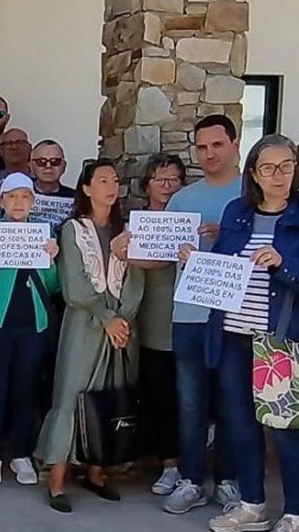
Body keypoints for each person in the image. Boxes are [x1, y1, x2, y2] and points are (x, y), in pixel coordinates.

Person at [189, 134, 299, 532]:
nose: (278, 175)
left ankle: (294, 512)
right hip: (233, 335)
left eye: (286, 166)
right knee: (239, 422)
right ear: (253, 173)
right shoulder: (238, 212)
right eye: (268, 168)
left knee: (284, 429)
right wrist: (197, 262)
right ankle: (252, 505)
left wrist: (283, 265)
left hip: (279, 340)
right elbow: (222, 269)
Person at [34, 159, 145, 513]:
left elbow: (136, 280)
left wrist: (122, 319)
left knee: (111, 394)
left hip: (121, 330)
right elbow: (74, 285)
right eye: (102, 180)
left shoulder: (126, 231)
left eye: (114, 180)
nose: (110, 186)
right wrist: (106, 316)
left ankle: (97, 472)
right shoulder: (72, 230)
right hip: (85, 325)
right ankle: (57, 478)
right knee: (70, 395)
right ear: (85, 188)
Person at [161, 115, 243, 515]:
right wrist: (128, 247)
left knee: (233, 402)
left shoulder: (253, 193)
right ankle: (192, 479)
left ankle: (229, 480)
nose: (209, 153)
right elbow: (157, 255)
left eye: (216, 145)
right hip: (189, 315)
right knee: (190, 402)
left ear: (234, 143)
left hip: (238, 318)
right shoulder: (183, 200)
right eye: (201, 147)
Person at [0, 173, 60, 486]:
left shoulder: (45, 233)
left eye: (25, 197)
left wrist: (51, 259)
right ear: (1, 202)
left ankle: (22, 453)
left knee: (26, 389)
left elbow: (53, 286)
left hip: (32, 324)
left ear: (33, 202)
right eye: (12, 197)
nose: (18, 203)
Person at [110, 154, 186, 496]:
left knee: (191, 397)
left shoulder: (191, 223)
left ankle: (190, 462)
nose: (167, 186)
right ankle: (168, 462)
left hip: (189, 320)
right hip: (150, 323)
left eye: (173, 180)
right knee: (158, 394)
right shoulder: (134, 227)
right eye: (160, 180)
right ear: (146, 186)